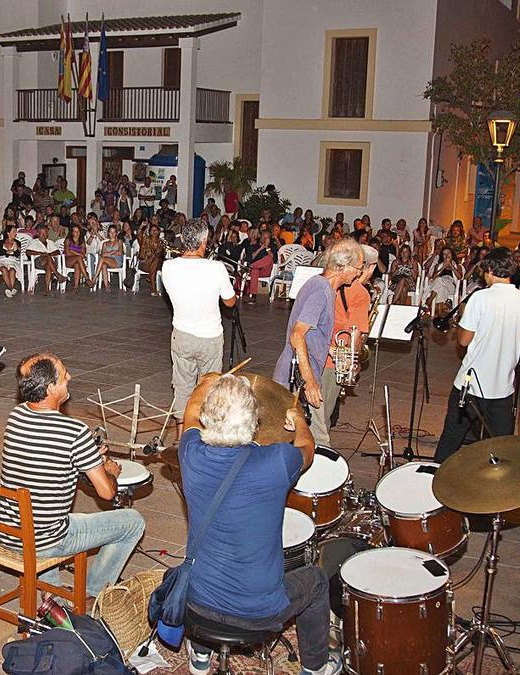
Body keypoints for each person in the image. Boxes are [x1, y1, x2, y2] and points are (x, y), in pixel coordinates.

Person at [179, 373, 337, 675]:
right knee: (316, 580)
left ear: (206, 417)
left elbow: (189, 410)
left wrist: (210, 381)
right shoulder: (276, 460)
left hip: (197, 607)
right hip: (259, 614)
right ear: (254, 423)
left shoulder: (190, 453)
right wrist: (299, 419)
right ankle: (316, 668)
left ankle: (200, 654)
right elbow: (308, 448)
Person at [0, 353, 146, 597]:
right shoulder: (74, 431)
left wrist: (86, 455)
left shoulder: (16, 415)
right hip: (44, 540)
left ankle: (50, 593)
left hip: (7, 531)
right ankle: (93, 594)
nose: (70, 377)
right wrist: (108, 469)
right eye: (64, 375)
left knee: (42, 511)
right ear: (51, 387)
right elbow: (107, 493)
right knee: (133, 521)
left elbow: (43, 451)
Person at [434, 248, 520, 463]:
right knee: (501, 446)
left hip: (472, 384)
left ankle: (433, 482)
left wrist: (462, 317)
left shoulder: (480, 298)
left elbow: (463, 340)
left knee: (451, 438)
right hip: (503, 385)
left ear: (489, 270)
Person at [273, 240, 363, 439]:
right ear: (342, 267)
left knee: (299, 438)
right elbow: (297, 334)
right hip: (300, 377)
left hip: (299, 373)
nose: (359, 273)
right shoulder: (322, 292)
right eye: (357, 268)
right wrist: (310, 381)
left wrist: (333, 351)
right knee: (319, 440)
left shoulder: (320, 284)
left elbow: (312, 334)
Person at [162, 221, 237, 419]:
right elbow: (230, 302)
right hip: (209, 338)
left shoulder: (168, 266)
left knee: (182, 389)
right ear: (204, 241)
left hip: (182, 335)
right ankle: (205, 437)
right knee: (209, 389)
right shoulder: (216, 268)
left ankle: (181, 441)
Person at [316, 245, 378, 447]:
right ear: (368, 268)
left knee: (315, 413)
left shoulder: (331, 282)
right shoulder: (360, 293)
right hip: (334, 358)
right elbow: (356, 336)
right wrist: (355, 360)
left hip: (317, 351)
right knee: (321, 420)